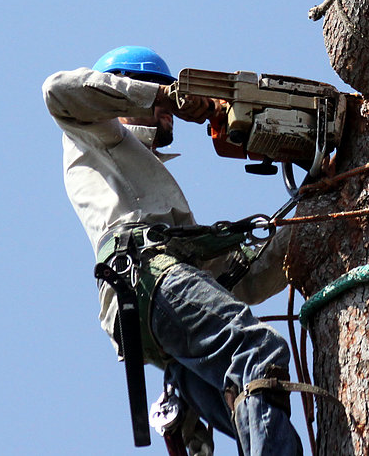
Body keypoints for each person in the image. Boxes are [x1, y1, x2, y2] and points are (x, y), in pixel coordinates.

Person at [43, 45, 301, 456]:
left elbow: (241, 280)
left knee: (250, 393)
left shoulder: (151, 183)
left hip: (151, 309)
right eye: (159, 88)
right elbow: (57, 89)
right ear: (126, 86)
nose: (172, 109)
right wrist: (164, 96)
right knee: (257, 351)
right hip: (145, 276)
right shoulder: (91, 130)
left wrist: (313, 211)